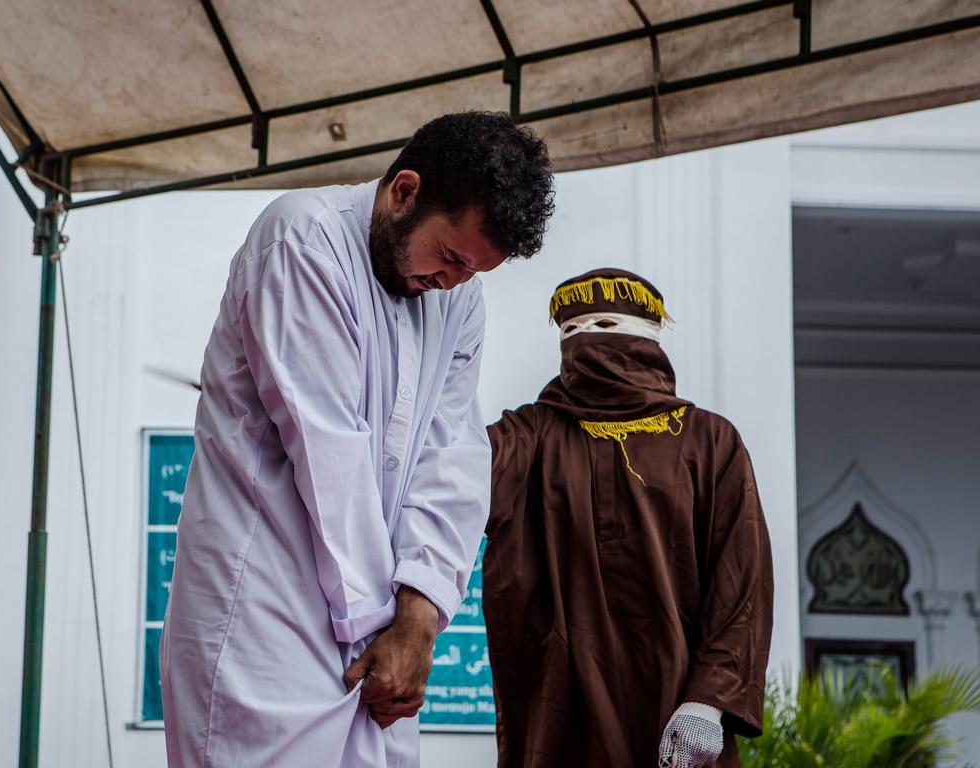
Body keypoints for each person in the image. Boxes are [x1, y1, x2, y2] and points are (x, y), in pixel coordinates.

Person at [160, 111, 555, 767]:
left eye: (475, 272)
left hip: (385, 637)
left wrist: (422, 614)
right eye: (451, 257)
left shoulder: (458, 301)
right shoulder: (302, 242)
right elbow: (330, 451)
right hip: (265, 613)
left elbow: (450, 458)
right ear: (404, 191)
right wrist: (393, 630)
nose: (453, 282)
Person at [483, 268, 774, 768]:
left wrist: (709, 701)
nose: (580, 344)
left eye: (599, 327)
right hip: (559, 715)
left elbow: (742, 585)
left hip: (677, 712)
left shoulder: (709, 442)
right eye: (568, 333)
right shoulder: (530, 436)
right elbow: (449, 475)